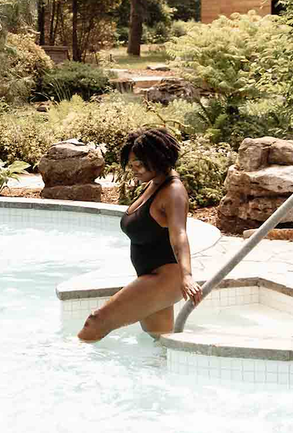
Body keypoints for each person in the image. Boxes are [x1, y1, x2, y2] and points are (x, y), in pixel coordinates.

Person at [78, 127, 203, 342]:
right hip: (151, 277)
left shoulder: (173, 192)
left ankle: (67, 365)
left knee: (96, 321)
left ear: (157, 159)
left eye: (138, 165)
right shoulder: (154, 184)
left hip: (164, 279)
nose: (134, 170)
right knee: (160, 343)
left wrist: (187, 275)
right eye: (131, 165)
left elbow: (179, 234)